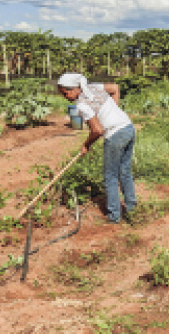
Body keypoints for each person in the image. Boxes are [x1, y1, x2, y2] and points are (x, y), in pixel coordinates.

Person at [57, 73, 136, 223]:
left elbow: (97, 130)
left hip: (115, 135)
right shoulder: (94, 87)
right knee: (124, 171)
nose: (65, 97)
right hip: (128, 128)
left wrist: (86, 145)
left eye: (65, 93)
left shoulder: (81, 104)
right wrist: (114, 111)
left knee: (110, 177)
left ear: (74, 89)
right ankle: (132, 209)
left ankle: (114, 217)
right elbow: (115, 88)